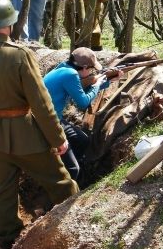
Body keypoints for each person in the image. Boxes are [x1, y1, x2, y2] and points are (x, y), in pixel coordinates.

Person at [0, 0, 78, 249]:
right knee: (59, 182)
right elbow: (42, 104)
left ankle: (8, 242)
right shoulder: (20, 55)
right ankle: (74, 230)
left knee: (4, 191)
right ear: (9, 24)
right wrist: (58, 139)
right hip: (27, 135)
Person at [42, 47, 120, 181]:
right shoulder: (71, 75)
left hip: (52, 117)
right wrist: (96, 85)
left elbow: (79, 91)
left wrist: (107, 81)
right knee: (74, 169)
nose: (91, 72)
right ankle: (68, 184)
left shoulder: (63, 68)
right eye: (91, 69)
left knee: (82, 140)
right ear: (84, 68)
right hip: (49, 123)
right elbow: (83, 102)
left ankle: (76, 168)